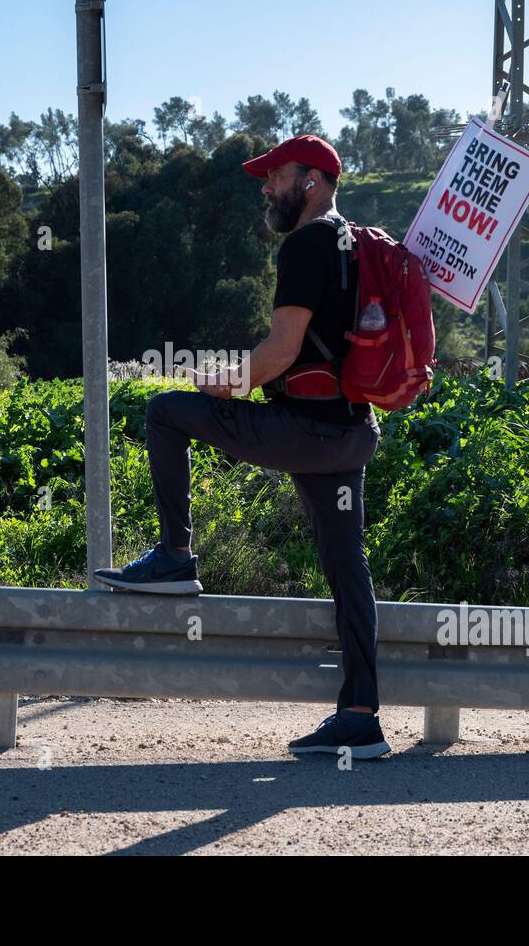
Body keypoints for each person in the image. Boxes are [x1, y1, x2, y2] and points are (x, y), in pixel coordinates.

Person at [93, 134, 390, 760]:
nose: (265, 187)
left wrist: (222, 384)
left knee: (167, 412)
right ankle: (362, 717)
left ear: (311, 182)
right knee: (347, 569)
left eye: (275, 176)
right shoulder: (353, 243)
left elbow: (281, 351)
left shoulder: (307, 242)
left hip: (305, 431)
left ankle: (176, 557)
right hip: (349, 435)